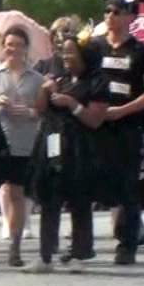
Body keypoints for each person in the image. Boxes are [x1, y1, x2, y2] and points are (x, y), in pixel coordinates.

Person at [26, 37, 109, 272]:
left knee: (79, 199)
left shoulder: (97, 81)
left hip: (79, 145)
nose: (66, 57)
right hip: (52, 142)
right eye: (64, 52)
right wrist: (45, 89)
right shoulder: (59, 78)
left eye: (71, 53)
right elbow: (41, 109)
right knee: (49, 198)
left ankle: (79, 254)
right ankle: (45, 255)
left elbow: (95, 119)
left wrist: (71, 103)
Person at [97, 0, 144, 265]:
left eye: (116, 12)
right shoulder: (95, 47)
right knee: (90, 182)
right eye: (107, 12)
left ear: (129, 16)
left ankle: (128, 241)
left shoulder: (140, 52)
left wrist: (122, 110)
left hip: (127, 125)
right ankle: (80, 242)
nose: (110, 16)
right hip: (96, 124)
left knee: (127, 186)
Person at [0, 26, 43, 267]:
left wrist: (30, 111)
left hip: (24, 141)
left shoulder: (37, 79)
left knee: (16, 193)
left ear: (25, 48)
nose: (13, 49)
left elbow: (43, 112)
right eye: (9, 44)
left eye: (18, 45)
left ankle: (15, 245)